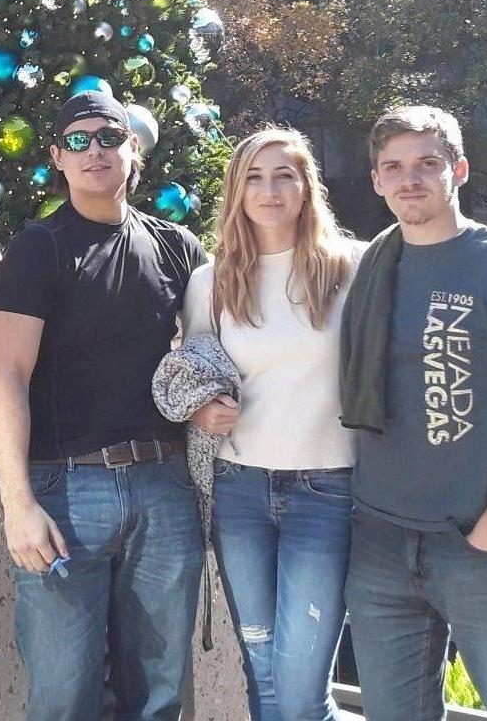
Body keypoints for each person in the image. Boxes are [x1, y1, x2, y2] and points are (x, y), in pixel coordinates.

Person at [342, 105, 487, 721]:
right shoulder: (370, 266)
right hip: (379, 543)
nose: (409, 179)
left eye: (427, 163)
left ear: (459, 170)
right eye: (392, 167)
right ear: (376, 181)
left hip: (477, 545)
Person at [0, 91, 209, 721]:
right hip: (65, 491)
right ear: (58, 157)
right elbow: (7, 373)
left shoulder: (178, 248)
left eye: (108, 137)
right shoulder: (39, 248)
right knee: (64, 698)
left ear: (131, 147)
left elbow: (216, 348)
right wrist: (16, 504)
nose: (95, 151)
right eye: (78, 141)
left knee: (159, 695)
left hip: (163, 486)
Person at [183, 126, 361, 721]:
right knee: (262, 677)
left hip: (328, 490)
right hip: (240, 490)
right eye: (255, 177)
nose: (270, 190)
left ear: (307, 186)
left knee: (303, 687)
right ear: (236, 192)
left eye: (284, 175)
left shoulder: (350, 269)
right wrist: (206, 409)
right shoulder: (211, 282)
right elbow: (197, 375)